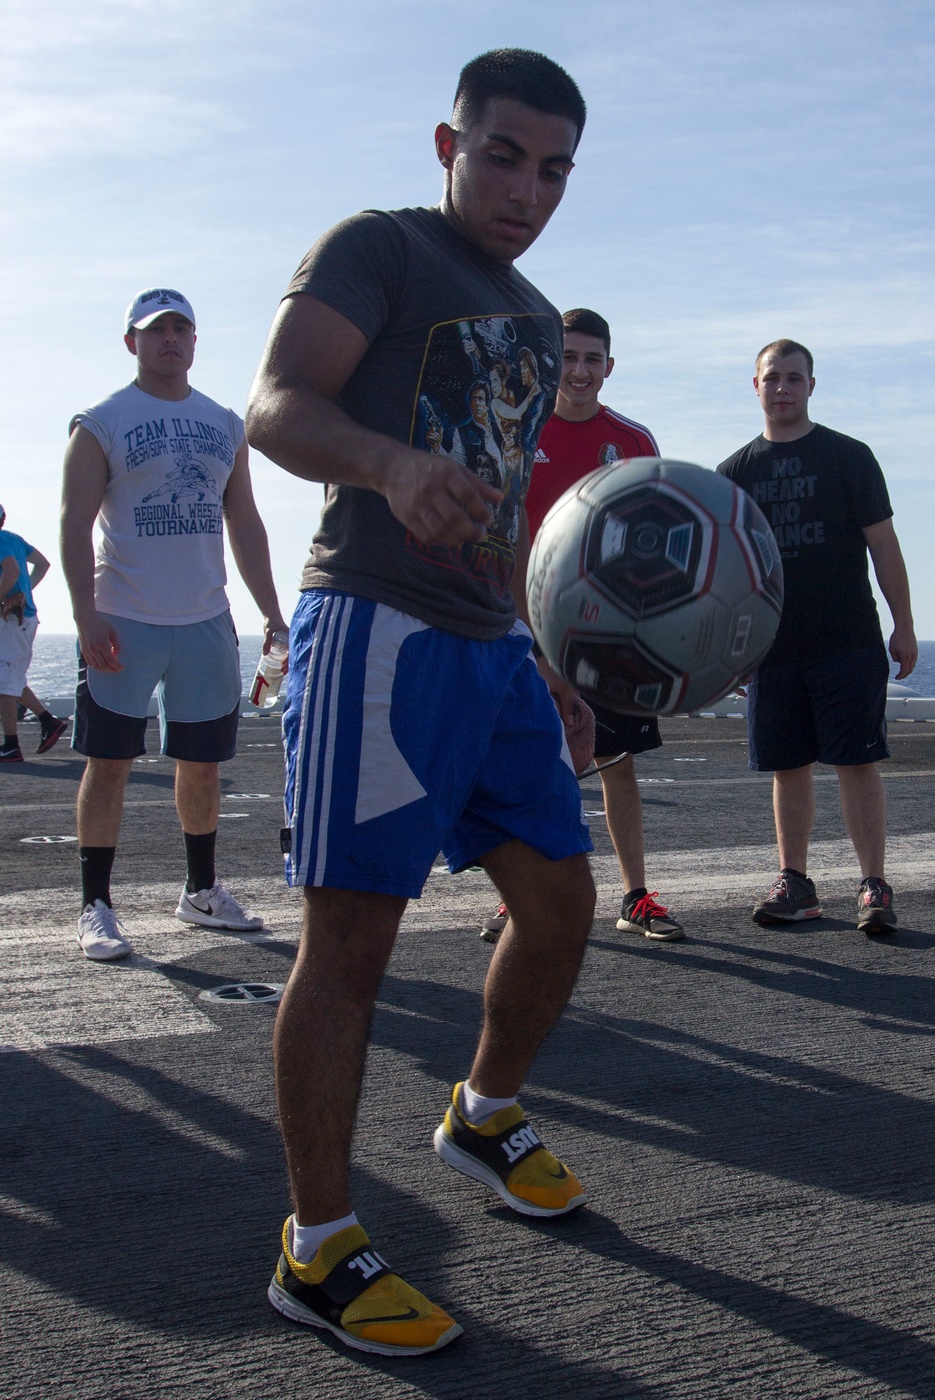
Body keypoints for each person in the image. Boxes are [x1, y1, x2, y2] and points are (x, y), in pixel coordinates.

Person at [245, 49, 593, 1358]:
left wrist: (541, 655)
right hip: (374, 630)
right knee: (350, 951)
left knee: (562, 905)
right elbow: (275, 405)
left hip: (489, 648)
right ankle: (319, 1249)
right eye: (502, 154)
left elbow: (501, 498)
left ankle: (484, 1112)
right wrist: (389, 462)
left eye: (553, 168)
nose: (526, 188)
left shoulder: (537, 312)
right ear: (449, 145)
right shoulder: (379, 249)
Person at [61, 288, 288, 962]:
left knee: (204, 764)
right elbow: (73, 522)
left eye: (181, 328)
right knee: (110, 764)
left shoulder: (224, 423)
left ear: (195, 341)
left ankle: (201, 890)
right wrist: (84, 614)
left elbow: (243, 521)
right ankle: (96, 905)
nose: (170, 340)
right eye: (156, 330)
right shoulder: (100, 421)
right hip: (123, 620)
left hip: (205, 621)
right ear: (131, 342)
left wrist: (272, 613)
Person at [481, 308, 683, 945]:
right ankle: (520, 899)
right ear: (549, 361)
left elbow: (662, 536)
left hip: (613, 629)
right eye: (568, 357)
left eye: (592, 359)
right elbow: (502, 536)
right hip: (530, 626)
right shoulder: (518, 433)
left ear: (609, 366)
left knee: (616, 759)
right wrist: (518, 627)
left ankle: (635, 895)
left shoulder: (633, 440)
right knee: (532, 761)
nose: (579, 370)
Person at [718, 339, 917, 935]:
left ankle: (873, 884)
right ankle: (795, 882)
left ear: (811, 385)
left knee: (857, 763)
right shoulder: (733, 473)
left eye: (793, 378)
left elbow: (883, 545)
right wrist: (726, 652)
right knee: (788, 766)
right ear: (755, 386)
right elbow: (722, 573)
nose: (782, 388)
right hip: (772, 648)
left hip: (847, 639)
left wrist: (903, 624)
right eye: (771, 378)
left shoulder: (848, 456)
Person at [0, 506, 67, 761]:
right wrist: (27, 592)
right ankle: (48, 721)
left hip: (13, 621)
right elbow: (42, 564)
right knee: (11, 677)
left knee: (4, 683)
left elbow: (12, 570)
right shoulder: (14, 538)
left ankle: (11, 746)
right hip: (23, 617)